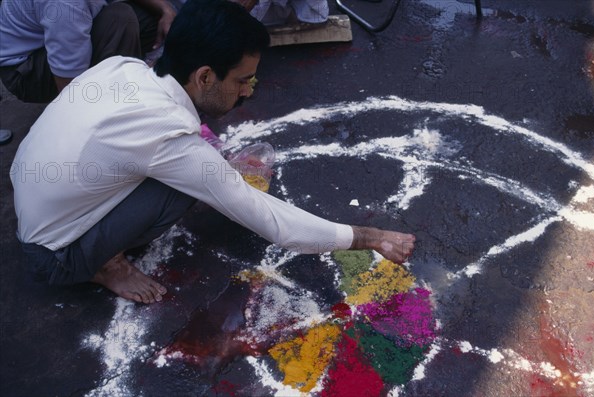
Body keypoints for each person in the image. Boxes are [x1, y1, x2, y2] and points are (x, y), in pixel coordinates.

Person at [10, 0, 415, 304]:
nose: (247, 91)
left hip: (30, 194)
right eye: (242, 80)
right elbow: (278, 225)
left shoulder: (124, 67)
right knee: (186, 187)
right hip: (53, 255)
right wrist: (372, 237)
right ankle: (105, 265)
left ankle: (97, 243)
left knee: (196, 168)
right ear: (204, 76)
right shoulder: (166, 137)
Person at [0, 0, 176, 103]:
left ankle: (124, 84)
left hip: (54, 34)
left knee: (154, 17)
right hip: (24, 69)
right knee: (119, 19)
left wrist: (165, 9)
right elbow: (70, 89)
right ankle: (114, 107)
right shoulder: (65, 5)